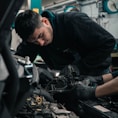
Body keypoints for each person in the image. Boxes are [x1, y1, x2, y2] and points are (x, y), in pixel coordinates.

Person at [14, 9, 115, 76]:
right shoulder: (32, 38)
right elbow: (20, 60)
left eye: (41, 36)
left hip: (96, 72)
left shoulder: (73, 21)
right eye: (34, 41)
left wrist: (78, 68)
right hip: (67, 78)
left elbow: (108, 42)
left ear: (45, 22)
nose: (40, 43)